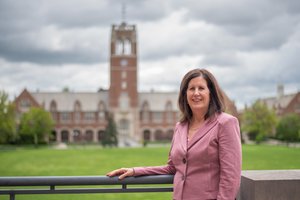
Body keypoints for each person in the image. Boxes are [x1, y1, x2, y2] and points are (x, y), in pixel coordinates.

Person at [107, 68, 242, 200]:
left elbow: (231, 176)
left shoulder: (225, 123)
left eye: (201, 88)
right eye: (191, 89)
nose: (196, 93)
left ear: (211, 93)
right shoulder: (180, 127)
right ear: (185, 94)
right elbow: (172, 167)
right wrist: (135, 171)